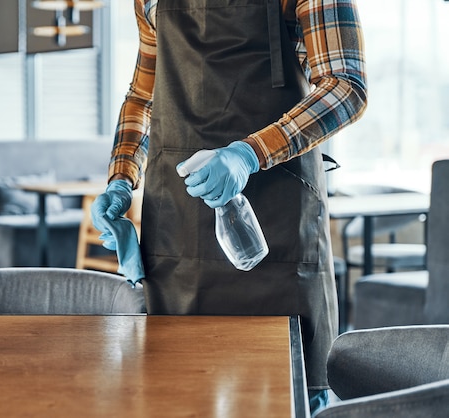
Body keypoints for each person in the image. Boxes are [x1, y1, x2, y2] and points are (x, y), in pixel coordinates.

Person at [92, 0, 367, 415]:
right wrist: (121, 179)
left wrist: (249, 154)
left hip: (277, 229)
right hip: (176, 233)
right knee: (172, 396)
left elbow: (346, 86)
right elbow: (143, 97)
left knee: (281, 399)